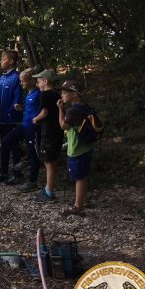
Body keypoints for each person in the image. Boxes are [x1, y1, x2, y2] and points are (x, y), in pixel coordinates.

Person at [56, 80, 93, 217]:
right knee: (83, 175)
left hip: (77, 148)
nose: (62, 95)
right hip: (86, 146)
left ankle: (78, 206)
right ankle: (82, 200)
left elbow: (63, 126)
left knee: (79, 177)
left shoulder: (73, 110)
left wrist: (60, 109)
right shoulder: (85, 106)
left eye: (64, 93)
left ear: (75, 95)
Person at [1, 69, 41, 191]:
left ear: (32, 81)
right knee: (6, 140)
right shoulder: (29, 93)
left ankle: (32, 182)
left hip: (33, 128)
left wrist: (38, 119)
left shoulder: (39, 94)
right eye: (20, 81)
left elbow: (44, 110)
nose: (21, 83)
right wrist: (21, 108)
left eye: (23, 81)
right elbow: (31, 109)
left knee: (34, 155)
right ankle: (25, 158)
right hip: (24, 125)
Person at [31, 69, 63, 203]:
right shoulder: (57, 94)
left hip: (49, 132)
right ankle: (48, 188)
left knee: (48, 161)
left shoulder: (44, 95)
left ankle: (49, 192)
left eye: (39, 81)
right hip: (58, 131)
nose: (37, 83)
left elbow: (44, 112)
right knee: (52, 160)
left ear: (45, 81)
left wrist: (35, 119)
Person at [0, 49, 24, 184]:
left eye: (4, 59)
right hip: (1, 118)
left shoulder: (17, 77)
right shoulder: (2, 78)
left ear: (11, 61)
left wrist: (13, 111)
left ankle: (17, 174)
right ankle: (3, 172)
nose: (1, 61)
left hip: (12, 119)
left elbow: (17, 98)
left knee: (14, 146)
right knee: (4, 145)